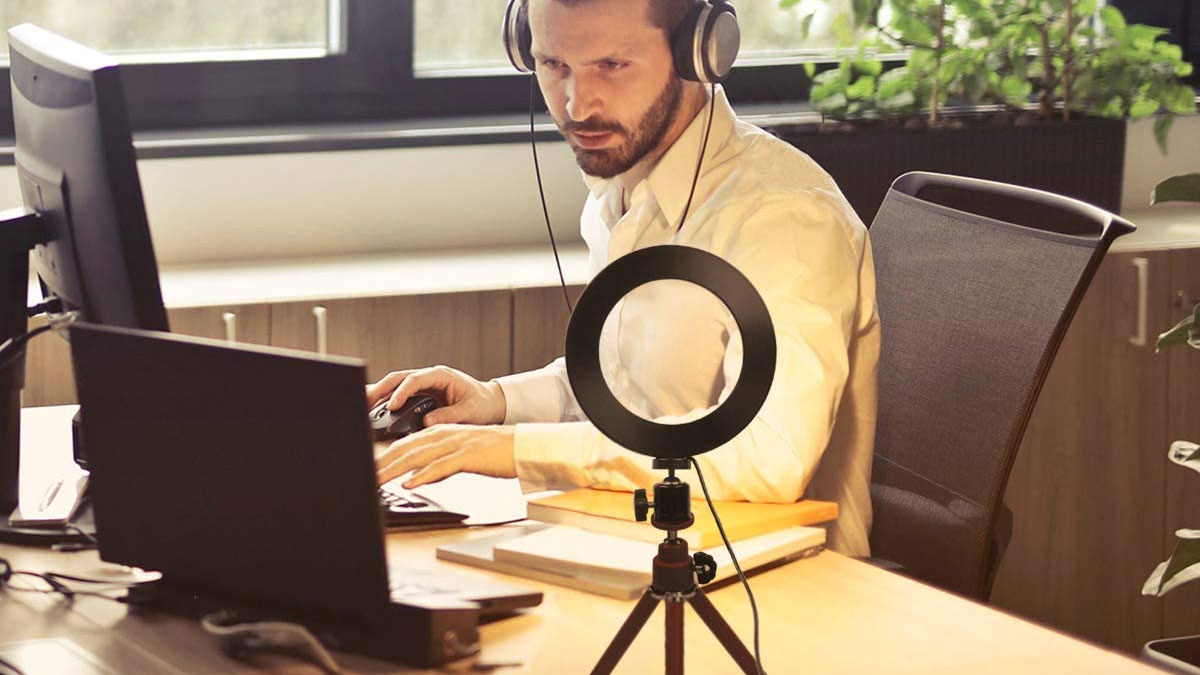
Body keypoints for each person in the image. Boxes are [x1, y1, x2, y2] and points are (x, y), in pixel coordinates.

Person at [369, 0, 880, 556]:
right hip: (634, 541)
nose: (576, 103)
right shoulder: (622, 192)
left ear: (699, 53)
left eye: (611, 65)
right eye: (553, 64)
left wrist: (515, 449)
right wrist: (497, 403)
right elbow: (633, 391)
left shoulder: (785, 219)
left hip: (775, 584)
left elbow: (767, 457)